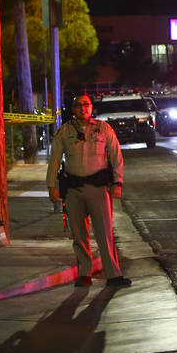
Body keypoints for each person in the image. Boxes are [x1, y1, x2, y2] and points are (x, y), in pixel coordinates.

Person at [48, 93, 131, 288]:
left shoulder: (103, 129)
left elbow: (116, 157)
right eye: (78, 105)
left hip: (98, 189)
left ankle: (113, 275)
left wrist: (118, 183)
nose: (82, 108)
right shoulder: (65, 132)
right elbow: (54, 161)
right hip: (74, 190)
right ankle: (84, 274)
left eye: (86, 105)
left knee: (104, 233)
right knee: (78, 234)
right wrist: (51, 186)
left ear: (91, 107)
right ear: (73, 108)